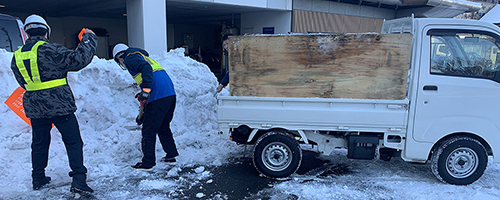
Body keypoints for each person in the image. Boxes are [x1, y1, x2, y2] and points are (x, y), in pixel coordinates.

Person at [10, 14, 97, 193]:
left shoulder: (16, 56)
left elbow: (22, 81)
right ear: (46, 32)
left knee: (39, 142)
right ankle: (79, 180)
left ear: (27, 33)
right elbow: (80, 59)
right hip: (60, 105)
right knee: (73, 141)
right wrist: (89, 38)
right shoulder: (50, 50)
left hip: (35, 106)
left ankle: (38, 178)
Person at [112, 43, 179, 171]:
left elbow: (146, 68)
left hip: (158, 95)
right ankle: (171, 155)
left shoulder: (130, 58)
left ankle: (148, 163)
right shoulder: (141, 56)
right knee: (163, 126)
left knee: (148, 130)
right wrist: (144, 91)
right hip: (169, 94)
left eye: (119, 61)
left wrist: (146, 90)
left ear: (119, 57)